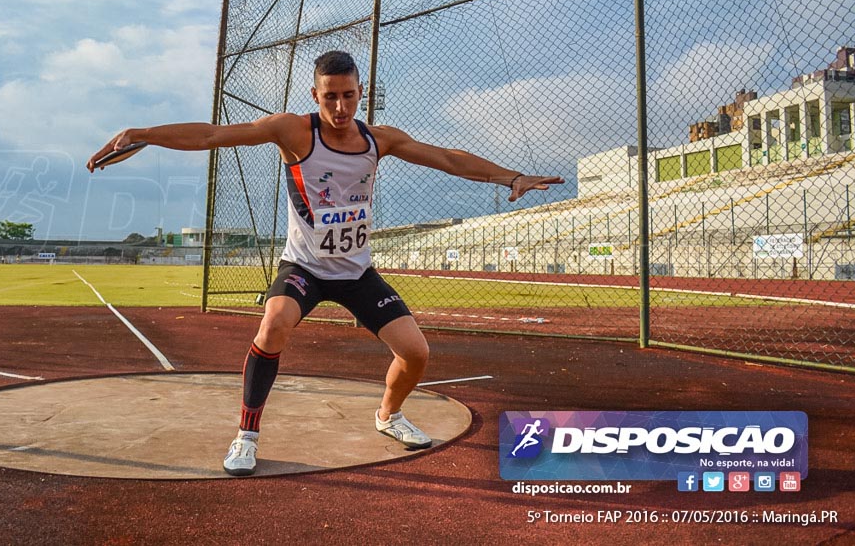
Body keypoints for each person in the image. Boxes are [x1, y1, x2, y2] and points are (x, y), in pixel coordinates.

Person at [87, 50, 564, 476]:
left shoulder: (380, 140)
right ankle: (247, 436)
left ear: (362, 93)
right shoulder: (292, 130)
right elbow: (212, 134)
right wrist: (143, 134)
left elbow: (446, 158)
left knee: (416, 353)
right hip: (305, 269)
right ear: (314, 94)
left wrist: (511, 176)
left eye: (349, 96)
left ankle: (388, 416)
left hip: (356, 272)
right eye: (330, 97)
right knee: (273, 325)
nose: (340, 108)